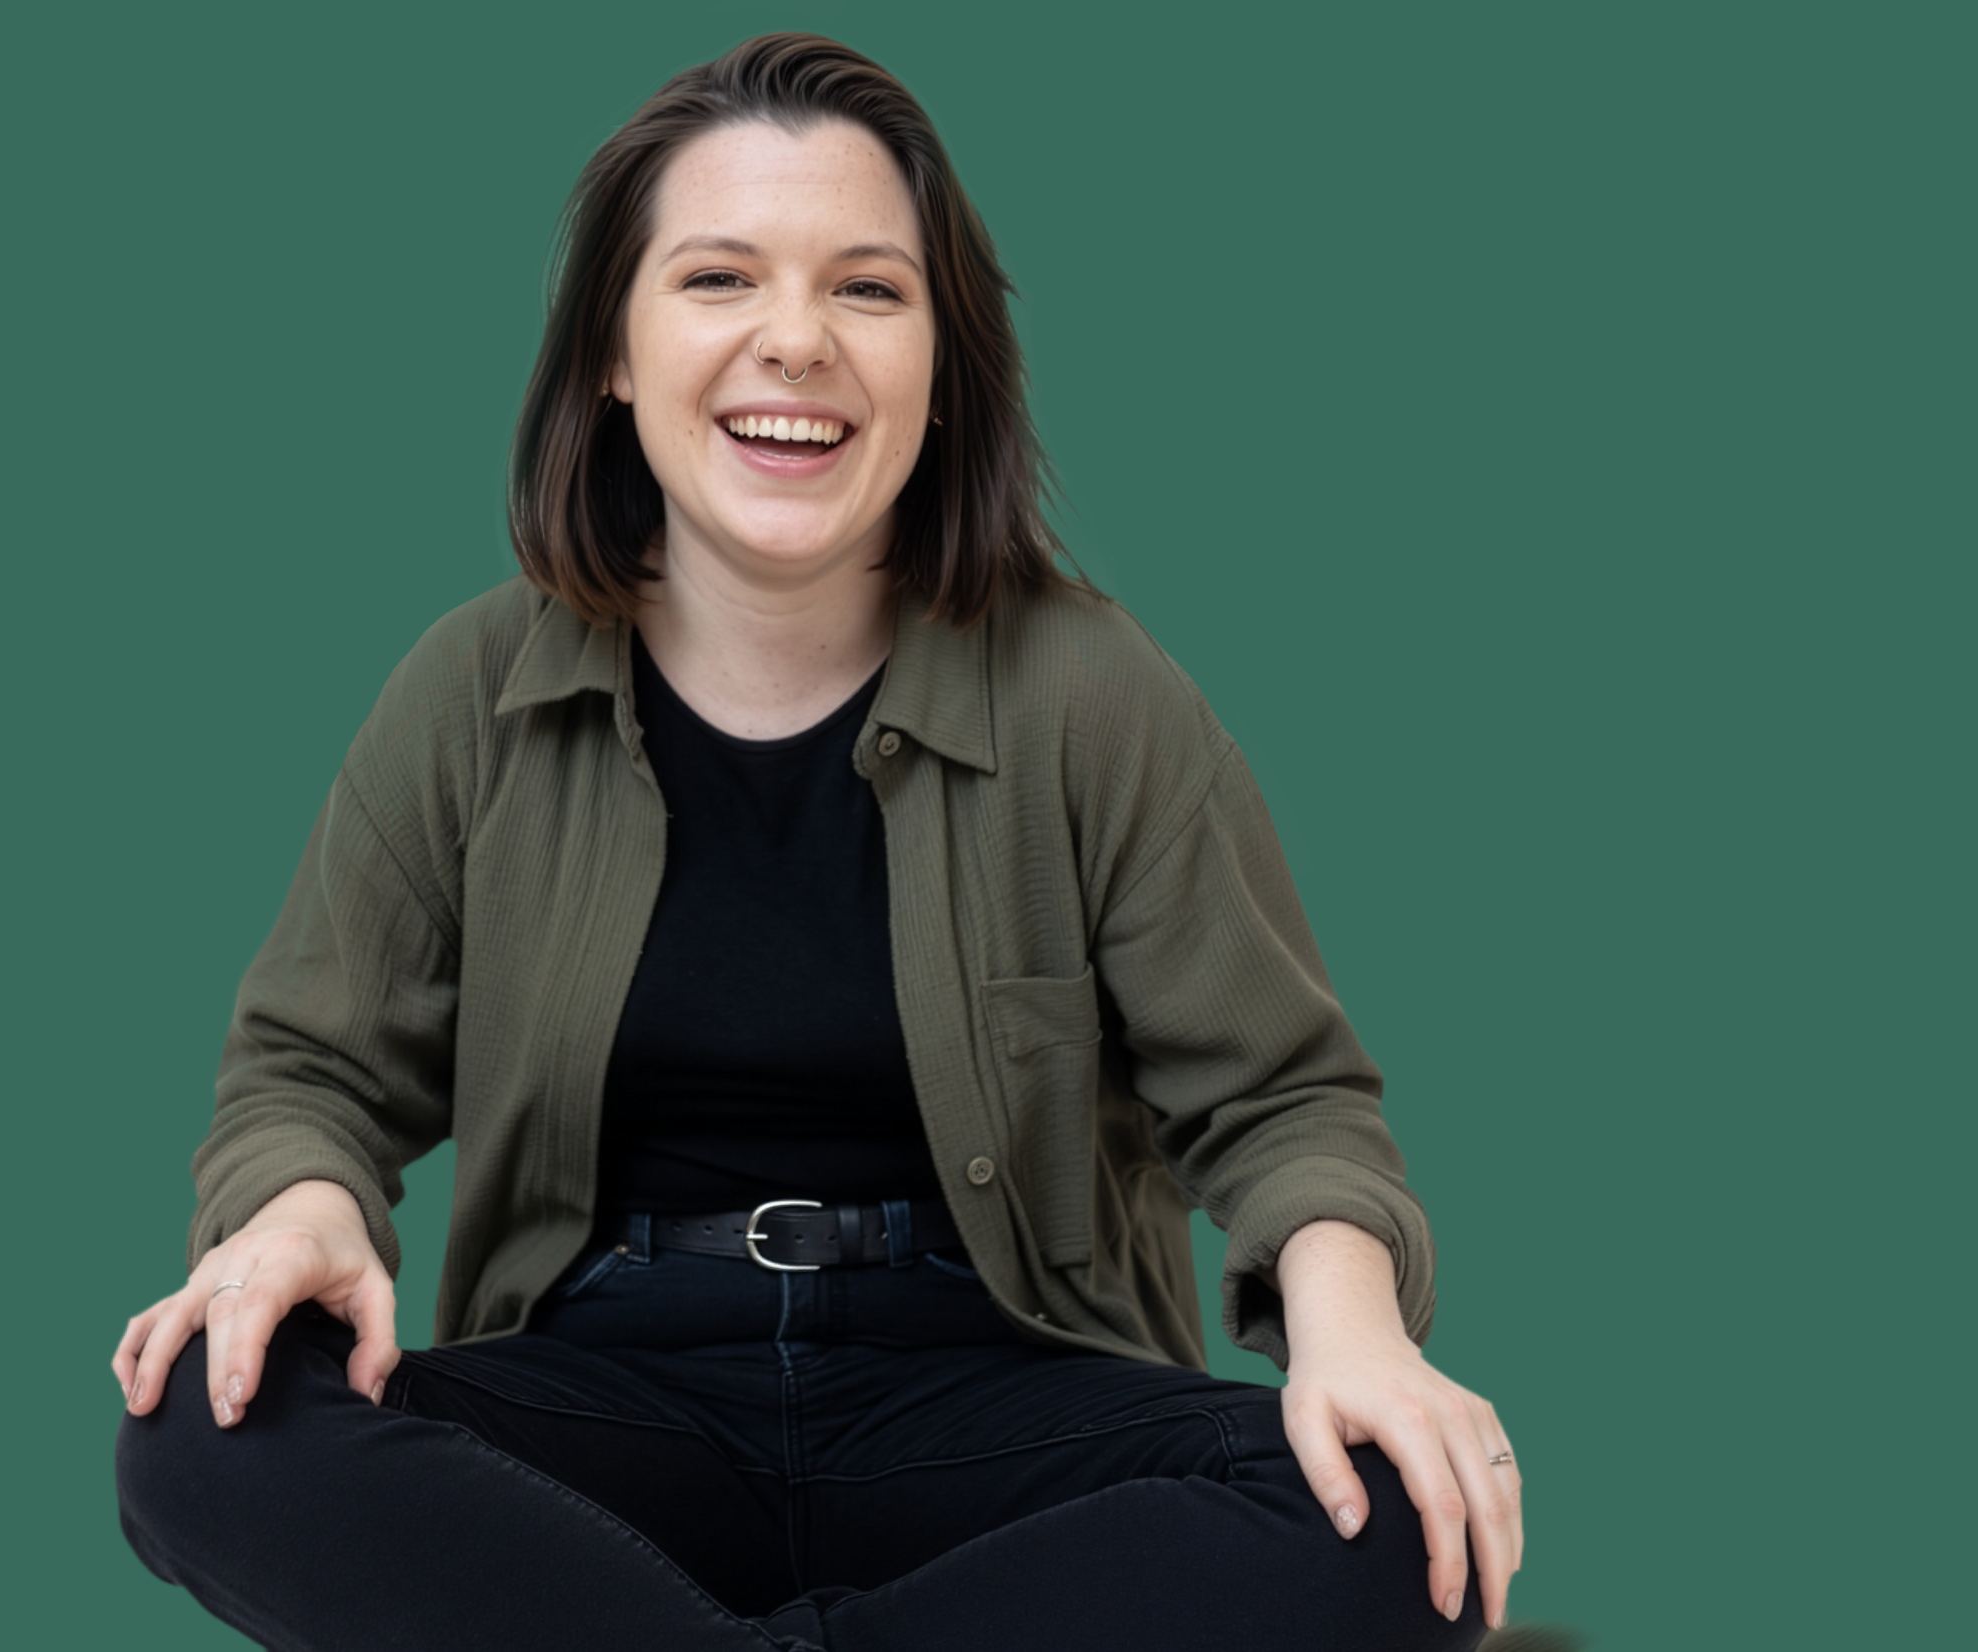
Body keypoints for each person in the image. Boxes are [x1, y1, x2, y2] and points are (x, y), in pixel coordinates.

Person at [113, 32, 1524, 1652]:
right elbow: (311, 1075)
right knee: (196, 1426)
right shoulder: (472, 688)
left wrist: (1358, 1340)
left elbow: (1283, 1106)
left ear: (943, 370)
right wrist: (300, 1213)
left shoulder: (1093, 691)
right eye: (719, 280)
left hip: (1001, 1400)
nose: (797, 342)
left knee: (1412, 1510)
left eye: (868, 290)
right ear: (615, 356)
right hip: (613, 1405)